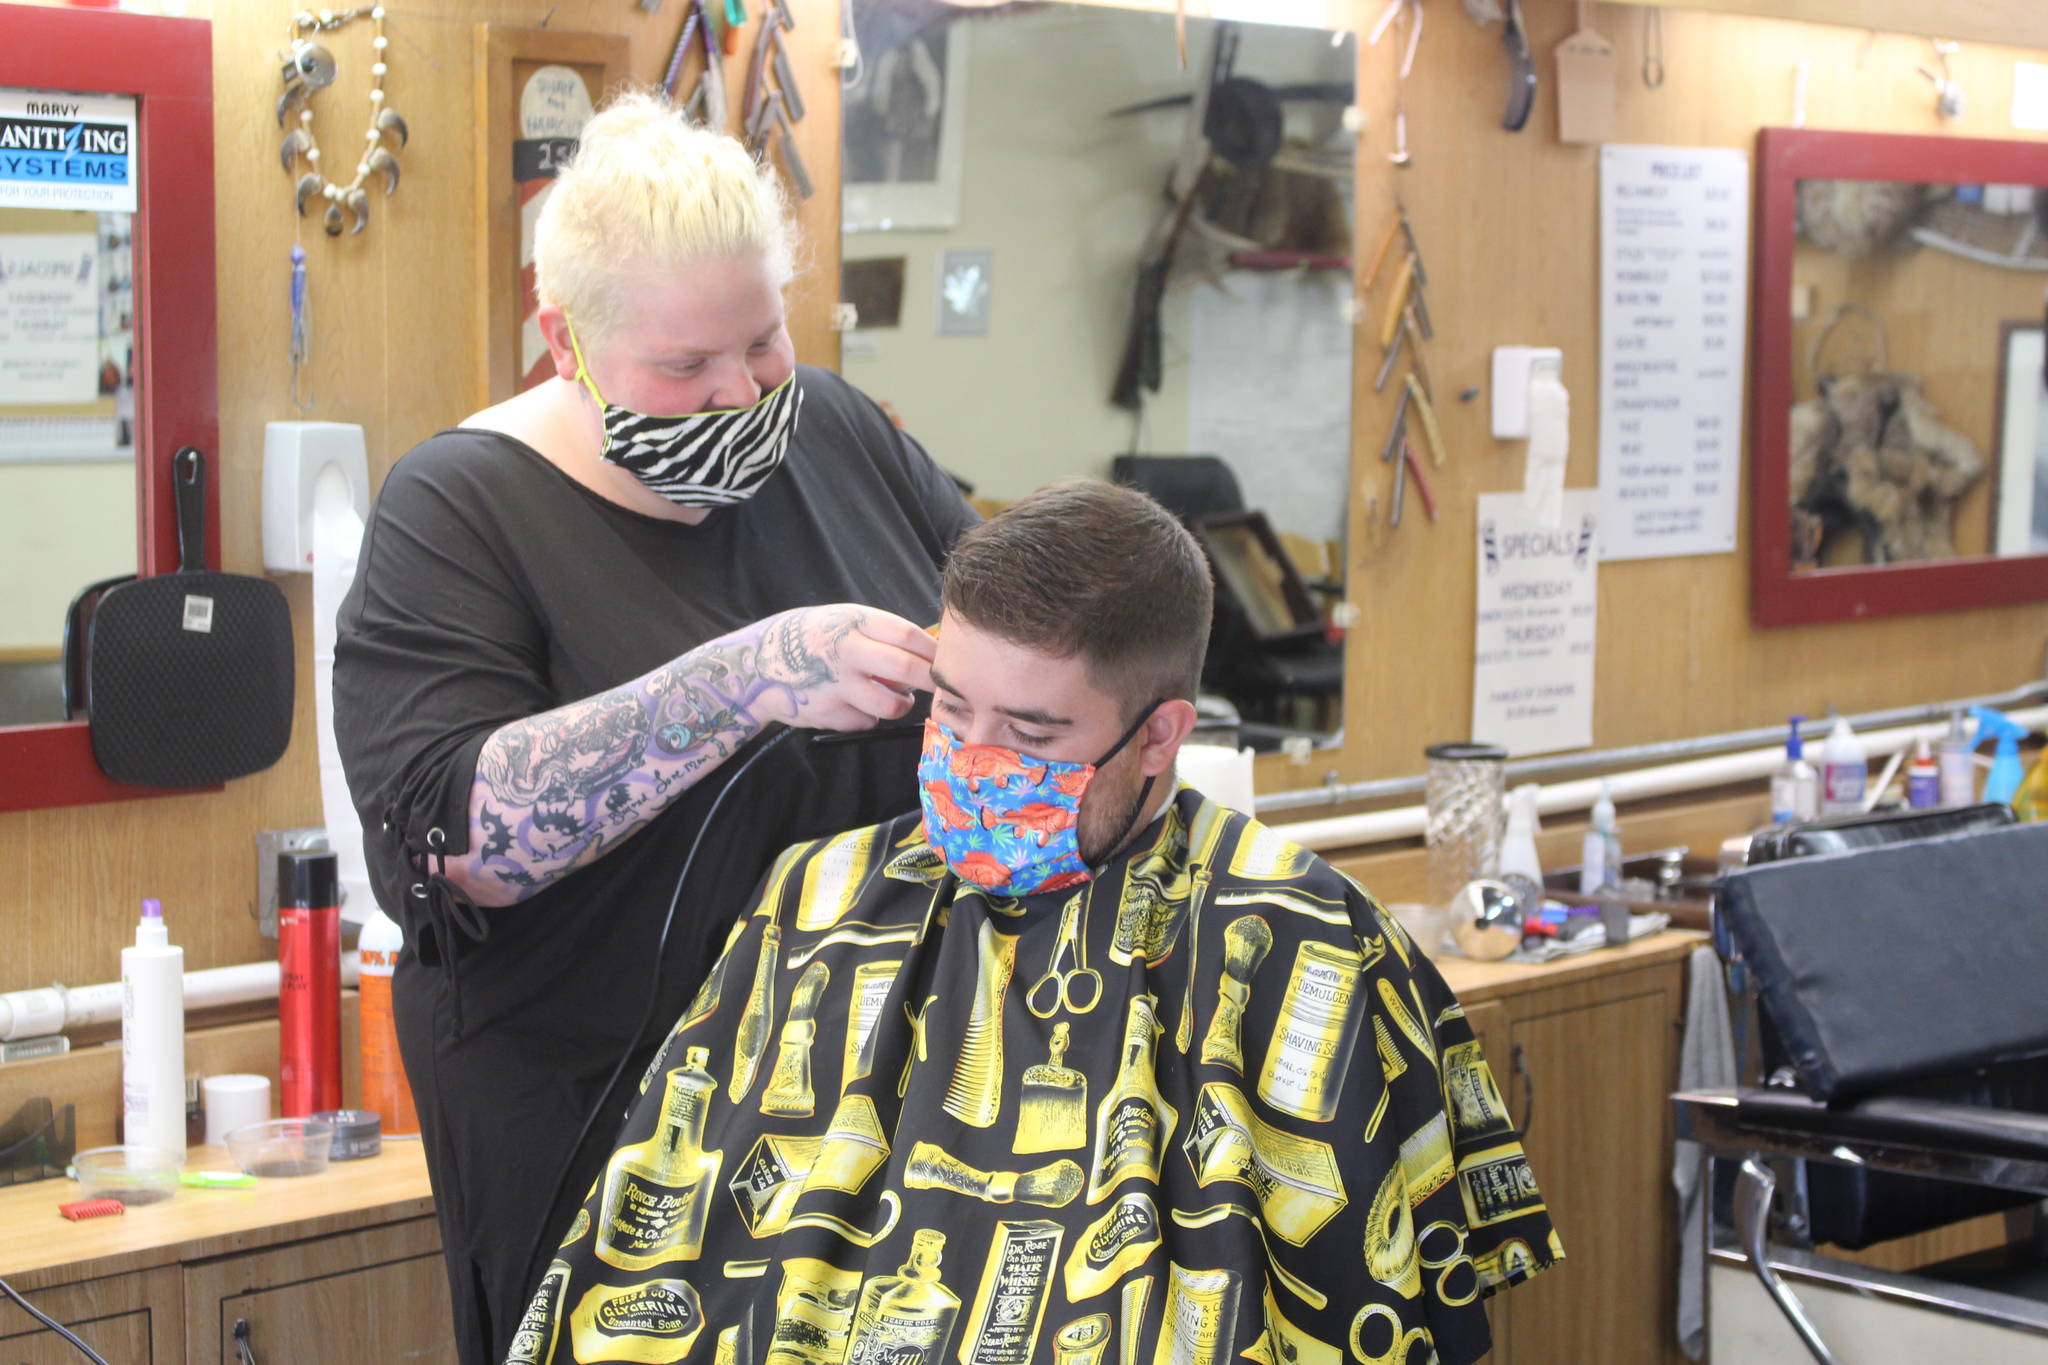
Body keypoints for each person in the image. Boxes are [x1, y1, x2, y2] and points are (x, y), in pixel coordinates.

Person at [506, 480, 1559, 1365]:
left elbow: (1375, 1307)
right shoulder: (819, 897)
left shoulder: (1294, 935)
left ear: (1159, 738)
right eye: (950, 709)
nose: (969, 759)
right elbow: (655, 1264)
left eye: (1029, 733)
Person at [333, 91, 977, 1365]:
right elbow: (457, 838)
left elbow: (1007, 627)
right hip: (607, 1138)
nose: (739, 393)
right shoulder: (457, 510)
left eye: (764, 343)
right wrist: (742, 680)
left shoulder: (838, 434)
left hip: (883, 1115)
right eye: (683, 368)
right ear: (563, 340)